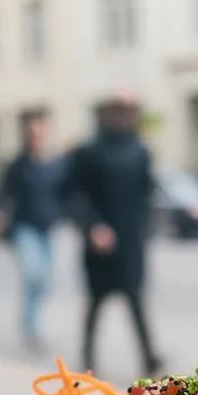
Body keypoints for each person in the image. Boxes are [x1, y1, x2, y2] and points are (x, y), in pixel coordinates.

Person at [65, 92, 163, 375]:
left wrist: (146, 225)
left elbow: (148, 192)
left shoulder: (140, 151)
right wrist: (92, 226)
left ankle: (149, 355)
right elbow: (76, 196)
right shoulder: (89, 151)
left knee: (135, 299)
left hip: (131, 240)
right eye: (118, 110)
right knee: (96, 301)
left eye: (128, 110)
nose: (123, 115)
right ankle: (87, 356)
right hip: (99, 242)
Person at [0, 112, 65, 350]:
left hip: (47, 229)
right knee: (34, 274)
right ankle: (32, 326)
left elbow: (66, 194)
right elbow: (3, 193)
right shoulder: (18, 164)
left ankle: (34, 321)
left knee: (45, 280)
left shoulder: (55, 164)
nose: (36, 137)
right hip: (25, 227)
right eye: (32, 133)